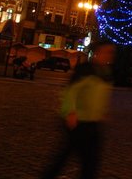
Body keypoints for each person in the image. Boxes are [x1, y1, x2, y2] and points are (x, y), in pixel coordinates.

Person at [42, 41, 116, 179]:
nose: (110, 55)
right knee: (64, 158)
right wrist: (70, 112)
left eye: (112, 52)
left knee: (91, 162)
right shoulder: (85, 70)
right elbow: (71, 92)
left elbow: (101, 95)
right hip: (78, 122)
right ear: (97, 52)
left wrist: (103, 112)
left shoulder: (106, 73)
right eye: (107, 52)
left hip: (93, 123)